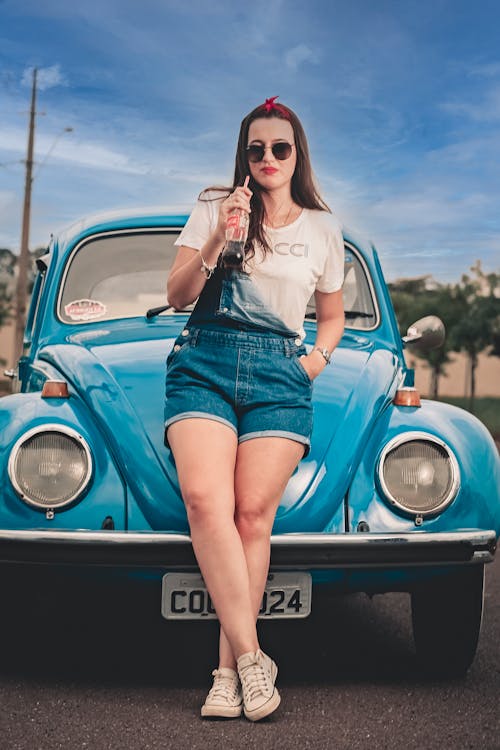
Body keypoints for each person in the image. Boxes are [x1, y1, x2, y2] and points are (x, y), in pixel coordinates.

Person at [165, 96, 345, 721]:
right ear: (243, 156)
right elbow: (177, 293)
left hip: (281, 374)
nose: (268, 158)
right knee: (205, 502)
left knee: (251, 516)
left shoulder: (324, 228)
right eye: (256, 149)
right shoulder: (216, 205)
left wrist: (314, 361)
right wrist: (221, 233)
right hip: (204, 363)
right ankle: (249, 660)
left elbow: (331, 316)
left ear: (298, 155)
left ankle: (222, 674)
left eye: (280, 148)